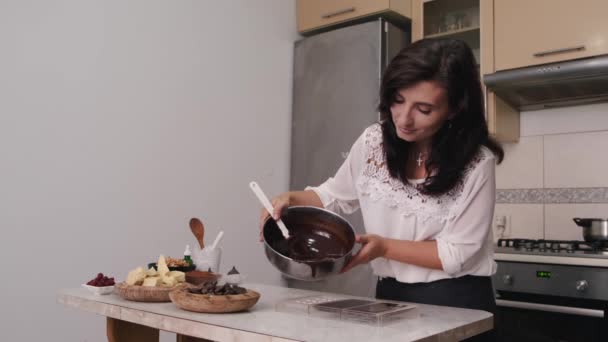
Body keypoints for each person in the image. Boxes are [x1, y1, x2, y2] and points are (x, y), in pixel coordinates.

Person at [260, 38, 503, 341]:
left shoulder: (477, 163)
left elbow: (457, 254)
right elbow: (334, 196)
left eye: (423, 109)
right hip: (389, 296)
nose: (403, 118)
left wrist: (385, 247)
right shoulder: (373, 141)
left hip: (456, 301)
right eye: (398, 100)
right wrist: (291, 198)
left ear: (454, 109)